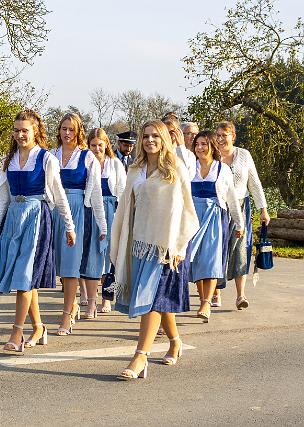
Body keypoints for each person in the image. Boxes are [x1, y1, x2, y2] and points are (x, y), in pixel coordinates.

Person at [0, 109, 75, 353]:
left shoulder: (46, 159)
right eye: (16, 130)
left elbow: (60, 195)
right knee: (25, 278)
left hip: (36, 217)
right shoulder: (8, 159)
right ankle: (39, 327)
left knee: (24, 277)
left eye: (25, 130)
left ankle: (17, 332)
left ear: (36, 132)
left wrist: (69, 226)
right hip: (14, 218)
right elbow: (2, 196)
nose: (20, 135)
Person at [110, 120, 199, 379]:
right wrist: (118, 243)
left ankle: (140, 357)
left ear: (164, 139)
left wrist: (179, 245)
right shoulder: (135, 169)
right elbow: (126, 208)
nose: (150, 140)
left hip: (165, 247)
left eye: (155, 136)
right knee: (157, 301)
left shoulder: (175, 169)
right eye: (146, 136)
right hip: (139, 244)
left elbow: (186, 211)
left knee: (151, 301)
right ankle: (175, 341)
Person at [51, 113, 106, 334]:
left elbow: (97, 195)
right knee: (60, 266)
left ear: (78, 131)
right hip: (54, 209)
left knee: (72, 265)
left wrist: (103, 225)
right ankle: (72, 304)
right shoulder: (51, 155)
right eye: (64, 128)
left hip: (76, 211)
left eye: (71, 129)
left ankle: (66, 315)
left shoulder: (88, 158)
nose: (67, 133)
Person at [213, 121, 270, 310]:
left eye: (224, 135)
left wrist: (263, 209)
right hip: (218, 207)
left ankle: (240, 295)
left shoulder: (244, 155)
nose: (220, 139)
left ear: (233, 136)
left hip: (242, 206)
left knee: (241, 250)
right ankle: (215, 292)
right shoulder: (212, 154)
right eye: (218, 135)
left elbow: (254, 183)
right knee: (217, 249)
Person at [189, 131, 243, 322]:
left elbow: (232, 199)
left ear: (212, 146)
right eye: (197, 144)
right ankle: (203, 298)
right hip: (193, 218)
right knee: (195, 261)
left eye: (204, 144)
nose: (200, 148)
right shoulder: (189, 167)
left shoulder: (222, 169)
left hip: (214, 218)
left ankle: (206, 303)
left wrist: (239, 223)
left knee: (211, 260)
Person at [84, 128, 126, 315]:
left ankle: (107, 298)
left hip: (111, 211)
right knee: (92, 256)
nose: (97, 149)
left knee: (112, 257)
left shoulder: (115, 164)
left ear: (106, 145)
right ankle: (91, 301)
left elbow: (123, 192)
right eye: (93, 145)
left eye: (100, 145)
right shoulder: (84, 162)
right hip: (91, 210)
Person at [163, 113, 196, 179]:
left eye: (172, 132)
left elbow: (188, 176)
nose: (167, 135)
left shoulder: (189, 155)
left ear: (179, 133)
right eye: (164, 132)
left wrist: (181, 147)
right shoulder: (156, 153)